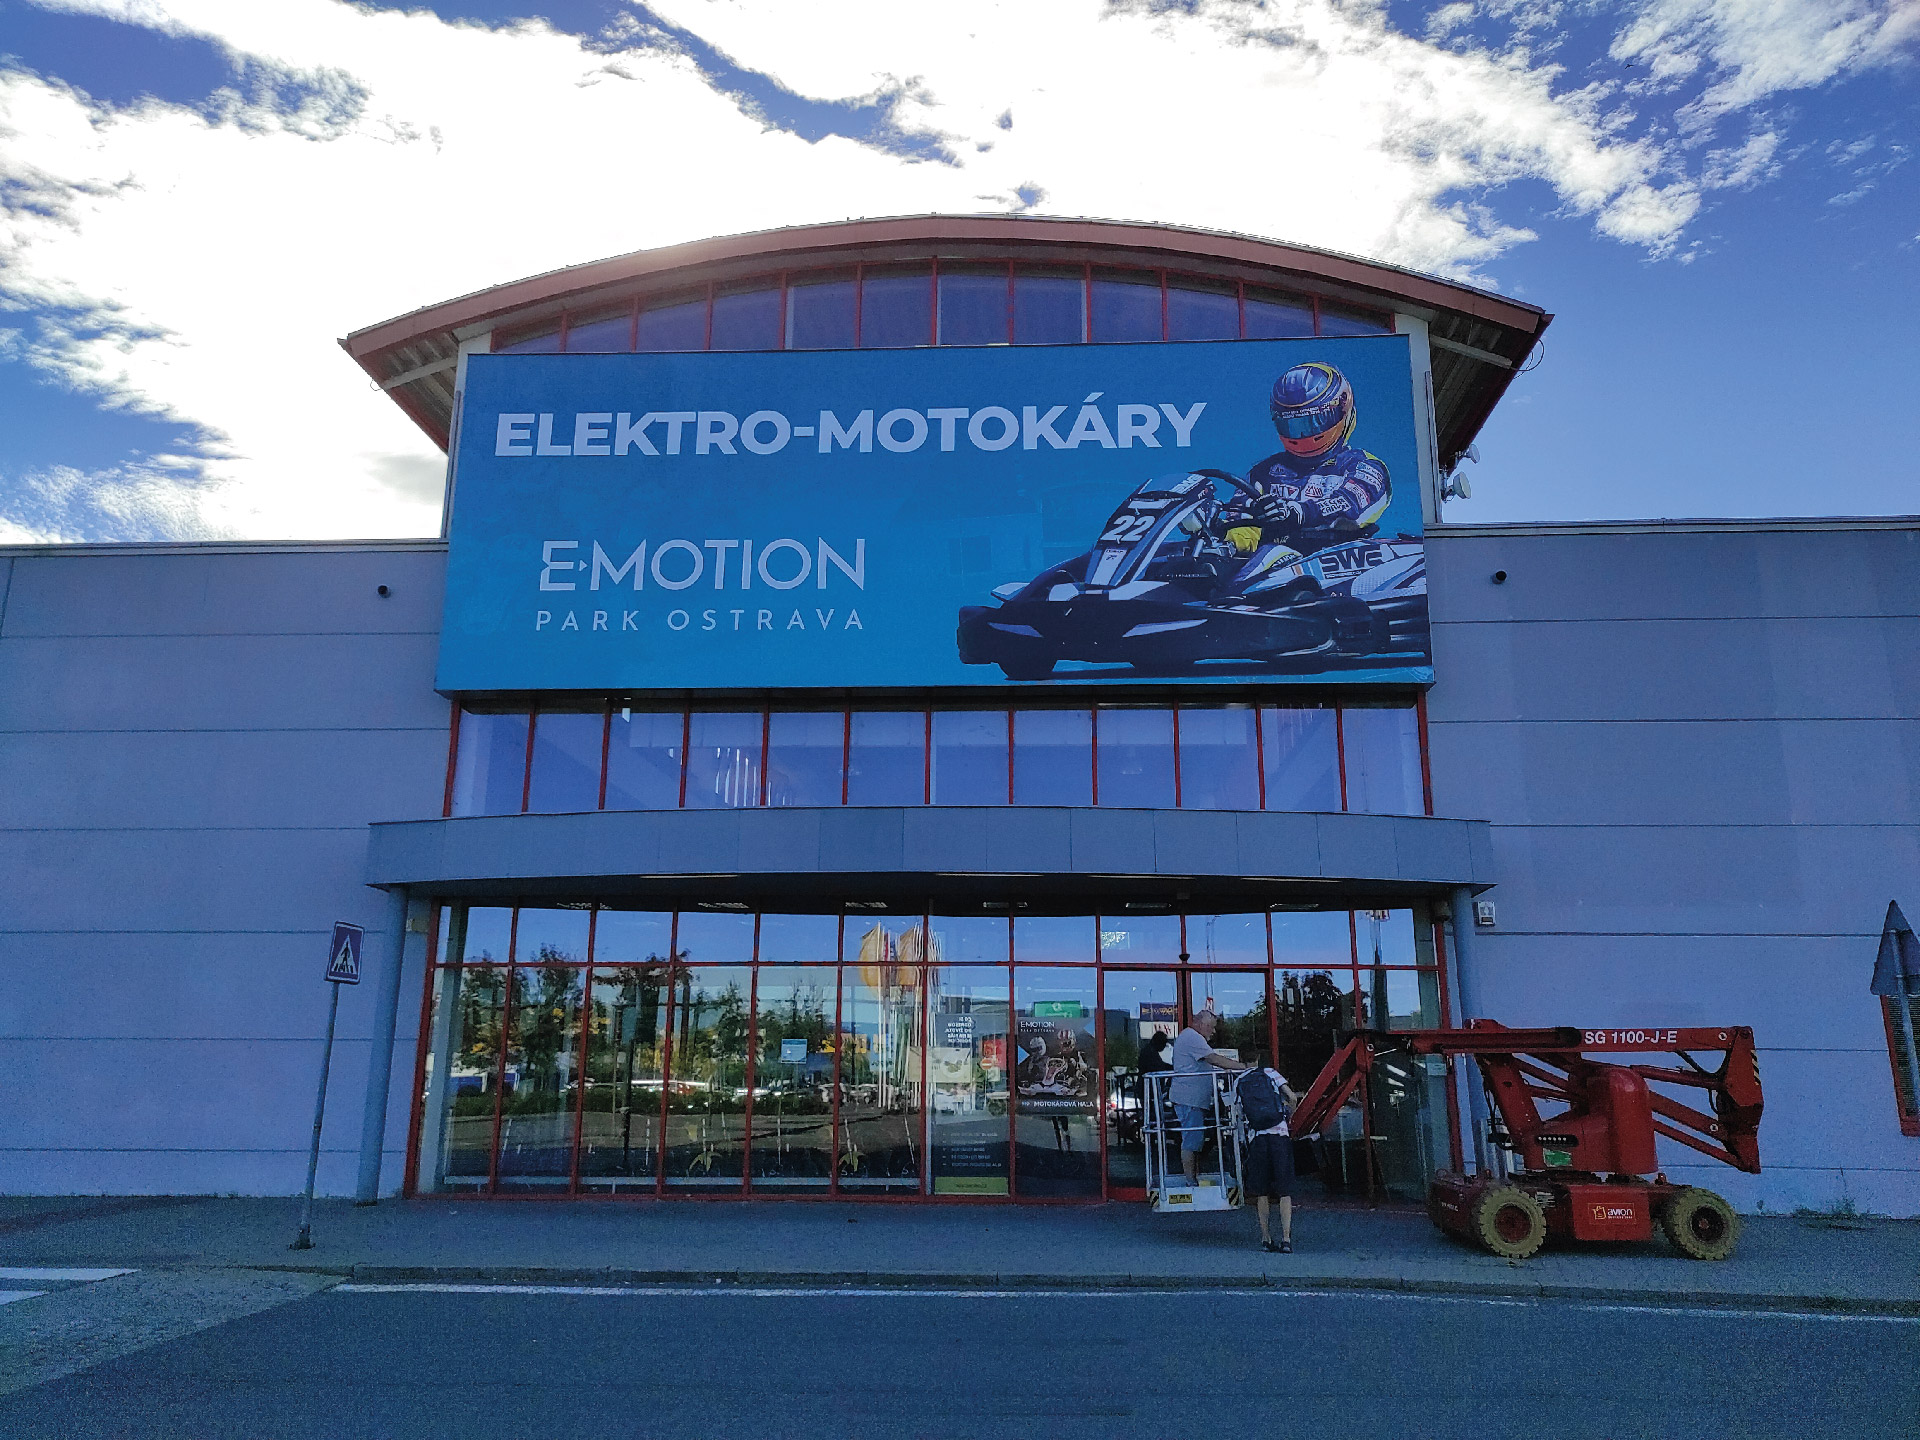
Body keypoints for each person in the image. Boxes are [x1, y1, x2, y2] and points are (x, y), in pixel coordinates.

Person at [1219, 362, 1391, 560]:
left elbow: (1351, 507)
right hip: (1277, 567)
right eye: (1291, 424)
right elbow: (1242, 521)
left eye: (1314, 422)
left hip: (1342, 563)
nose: (1303, 434)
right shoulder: (1264, 472)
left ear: (1342, 409)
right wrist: (1227, 542)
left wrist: (1298, 512)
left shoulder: (1364, 466)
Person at [1169, 1009, 1248, 1185]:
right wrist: (1243, 1067)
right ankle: (1191, 1181)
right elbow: (1214, 1059)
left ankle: (1194, 1177)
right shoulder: (1193, 1037)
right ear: (1200, 1024)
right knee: (1192, 1139)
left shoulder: (1190, 1037)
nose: (1213, 1032)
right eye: (1211, 1027)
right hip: (1189, 1099)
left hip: (1193, 1099)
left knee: (1195, 1139)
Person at [1235, 1048, 1302, 1253]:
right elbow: (1292, 1097)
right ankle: (1286, 1239)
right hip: (1279, 1135)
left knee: (1261, 1192)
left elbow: (1238, 1114)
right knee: (1284, 1191)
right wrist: (1287, 1115)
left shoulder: (1239, 1081)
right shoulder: (1270, 1073)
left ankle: (1266, 1238)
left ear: (1241, 1060)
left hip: (1257, 1138)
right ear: (1258, 1058)